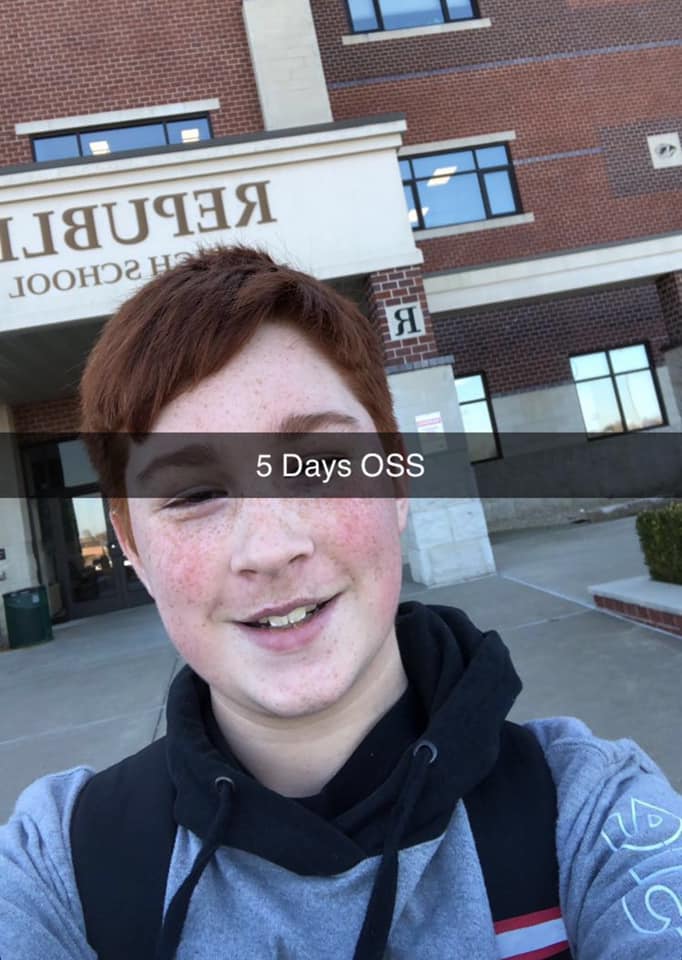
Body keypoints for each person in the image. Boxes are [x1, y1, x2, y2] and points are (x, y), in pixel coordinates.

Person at [1, 245, 681, 960]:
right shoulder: (61, 866)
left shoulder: (593, 813)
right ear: (132, 547)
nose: (271, 548)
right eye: (195, 494)